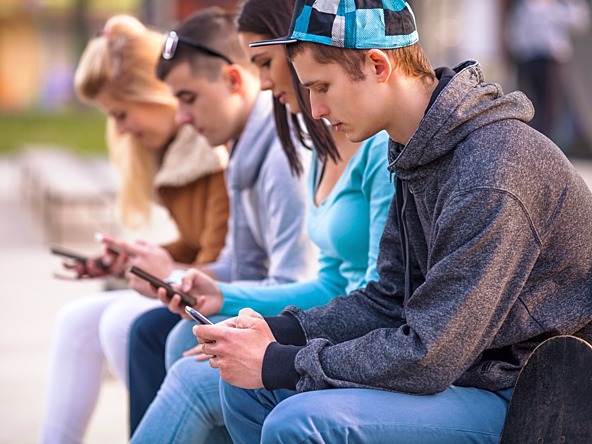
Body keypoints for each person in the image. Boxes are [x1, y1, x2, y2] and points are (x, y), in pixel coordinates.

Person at [195, 1, 592, 442]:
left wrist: (280, 361)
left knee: (301, 421)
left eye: (322, 86)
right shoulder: (415, 148)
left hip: (531, 397)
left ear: (378, 64)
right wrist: (279, 330)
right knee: (247, 390)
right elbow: (388, 300)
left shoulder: (493, 172)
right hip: (468, 372)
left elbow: (430, 354)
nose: (315, 109)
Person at [128, 0, 393, 441]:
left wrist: (269, 343)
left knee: (196, 376)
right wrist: (222, 295)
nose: (264, 80)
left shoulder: (376, 145)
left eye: (266, 62)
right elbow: (328, 282)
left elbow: (379, 298)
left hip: (359, 341)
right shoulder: (322, 147)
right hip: (333, 321)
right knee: (186, 344)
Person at [122, 6, 318, 436]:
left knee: (184, 358)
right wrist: (182, 278)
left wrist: (185, 278)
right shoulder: (245, 147)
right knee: (168, 335)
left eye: (188, 98)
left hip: (306, 329)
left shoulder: (288, 155)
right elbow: (237, 261)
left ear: (233, 80)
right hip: (275, 317)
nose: (182, 118)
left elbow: (297, 281)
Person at [38, 15, 230, 444]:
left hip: (233, 295)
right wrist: (131, 261)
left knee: (122, 323)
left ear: (155, 93)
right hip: (206, 282)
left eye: (122, 113)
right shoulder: (174, 155)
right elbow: (196, 244)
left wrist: (161, 267)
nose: (121, 129)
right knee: (77, 319)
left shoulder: (210, 151)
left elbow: (221, 262)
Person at [505, 0, 591, 146]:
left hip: (552, 59)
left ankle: (546, 141)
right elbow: (518, 30)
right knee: (532, 100)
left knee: (550, 103)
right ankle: (533, 138)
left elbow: (579, 22)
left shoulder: (559, 6)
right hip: (530, 58)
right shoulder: (527, 6)